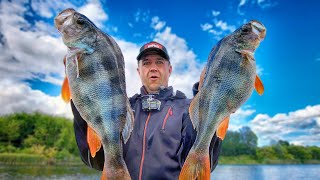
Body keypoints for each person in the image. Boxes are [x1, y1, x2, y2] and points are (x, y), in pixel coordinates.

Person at [71, 41, 225, 180]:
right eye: (146, 63)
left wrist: (208, 97)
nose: (153, 68)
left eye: (159, 62)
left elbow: (202, 164)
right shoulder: (119, 109)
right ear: (138, 71)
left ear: (169, 69)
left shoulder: (187, 108)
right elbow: (95, 160)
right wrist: (81, 93)